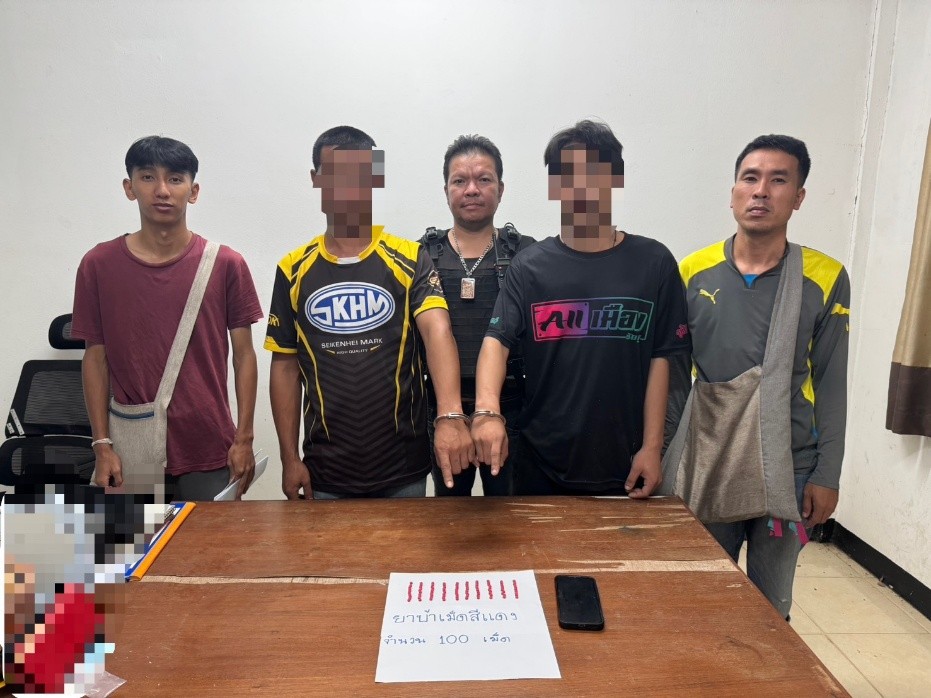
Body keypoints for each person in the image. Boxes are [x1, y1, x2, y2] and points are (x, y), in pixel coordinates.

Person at [671, 134, 850, 619]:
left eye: (778, 180)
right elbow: (674, 379)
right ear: (733, 191)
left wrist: (827, 474)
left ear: (798, 197)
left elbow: (832, 382)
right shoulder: (693, 271)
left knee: (771, 606)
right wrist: (665, 457)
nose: (761, 191)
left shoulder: (824, 276)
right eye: (750, 178)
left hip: (789, 466)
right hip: (711, 459)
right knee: (705, 595)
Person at [471, 120, 690, 496]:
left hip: (628, 466)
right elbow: (497, 340)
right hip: (539, 465)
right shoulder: (529, 265)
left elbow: (662, 359)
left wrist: (653, 448)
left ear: (616, 178)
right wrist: (487, 411)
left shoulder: (654, 262)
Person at [265, 126, 472, 499]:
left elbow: (438, 332)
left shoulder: (411, 258)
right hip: (324, 472)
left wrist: (451, 417)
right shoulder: (293, 269)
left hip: (404, 469)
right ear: (316, 178)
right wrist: (289, 458)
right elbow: (284, 367)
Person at [72, 136, 262, 501]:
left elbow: (244, 355)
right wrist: (101, 445)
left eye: (175, 179)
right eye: (147, 177)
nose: (162, 190)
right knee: (134, 538)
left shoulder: (226, 264)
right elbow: (95, 358)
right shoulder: (98, 265)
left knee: (210, 539)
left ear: (193, 191)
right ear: (129, 187)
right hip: (133, 450)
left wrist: (244, 439)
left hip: (210, 445)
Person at [420, 135, 534, 496]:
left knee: (512, 513)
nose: (472, 189)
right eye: (460, 180)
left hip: (513, 407)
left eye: (484, 179)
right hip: (440, 409)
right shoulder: (421, 255)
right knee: (451, 515)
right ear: (446, 191)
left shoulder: (529, 254)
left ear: (501, 189)